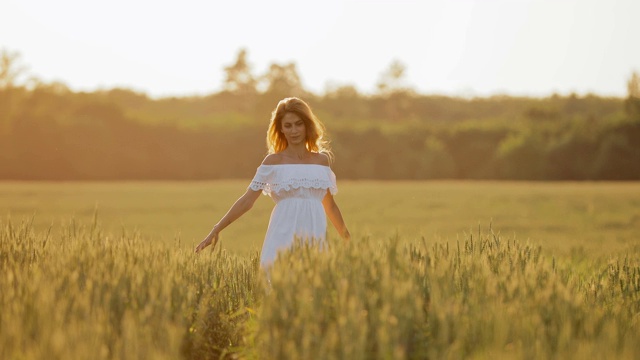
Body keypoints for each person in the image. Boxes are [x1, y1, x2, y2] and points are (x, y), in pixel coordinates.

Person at [195, 97, 350, 267]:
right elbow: (247, 200)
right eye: (288, 125)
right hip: (281, 239)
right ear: (281, 129)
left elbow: (330, 205)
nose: (294, 130)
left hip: (315, 238)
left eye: (299, 124)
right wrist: (215, 230)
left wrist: (347, 239)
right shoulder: (273, 162)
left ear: (307, 125)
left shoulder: (321, 161)